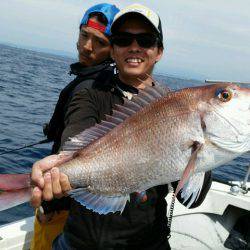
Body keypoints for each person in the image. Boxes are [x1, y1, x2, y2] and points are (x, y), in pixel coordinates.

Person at [31, 4, 212, 249]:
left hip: (146, 242)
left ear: (159, 51)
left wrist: (208, 149)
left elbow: (192, 200)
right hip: (79, 241)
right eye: (124, 40)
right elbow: (74, 139)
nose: (134, 47)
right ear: (113, 50)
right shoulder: (90, 94)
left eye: (145, 40)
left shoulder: (178, 108)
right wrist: (57, 168)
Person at [30, 3, 120, 250]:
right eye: (84, 36)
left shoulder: (90, 89)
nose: (88, 47)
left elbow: (77, 143)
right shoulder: (95, 81)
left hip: (61, 206)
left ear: (113, 50)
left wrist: (52, 204)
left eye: (100, 42)